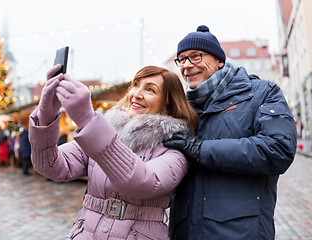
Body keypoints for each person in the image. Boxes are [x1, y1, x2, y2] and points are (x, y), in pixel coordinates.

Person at [29, 65, 199, 239]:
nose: (136, 94)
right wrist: (45, 118)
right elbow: (50, 166)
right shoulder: (108, 130)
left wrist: (87, 120)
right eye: (136, 85)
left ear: (168, 104)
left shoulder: (175, 147)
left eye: (150, 90)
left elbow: (143, 182)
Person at [163, 25, 297, 240]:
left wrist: (201, 148)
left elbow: (278, 149)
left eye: (196, 57)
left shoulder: (262, 93)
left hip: (240, 232)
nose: (187, 66)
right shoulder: (182, 108)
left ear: (219, 61)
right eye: (182, 59)